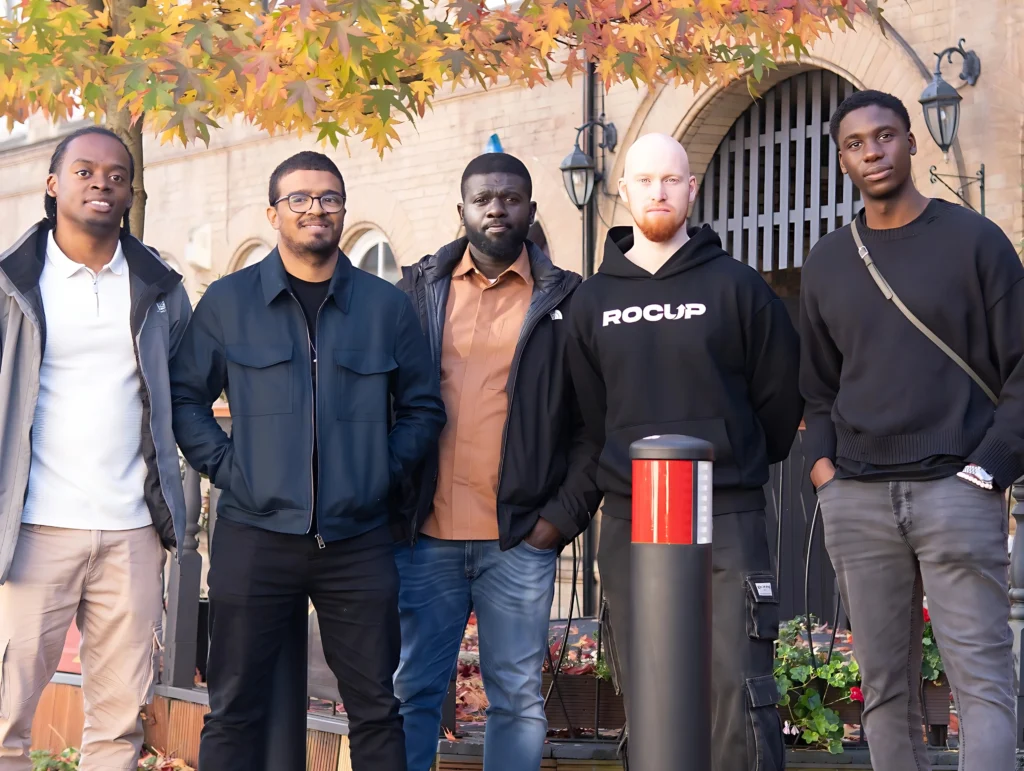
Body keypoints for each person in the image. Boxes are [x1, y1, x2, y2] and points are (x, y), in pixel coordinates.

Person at [170, 151, 445, 771]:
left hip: (358, 540)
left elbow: (424, 409)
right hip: (254, 532)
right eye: (299, 198)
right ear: (274, 213)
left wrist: (376, 473)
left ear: (344, 210)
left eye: (328, 198)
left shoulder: (385, 306)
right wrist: (229, 467)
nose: (315, 209)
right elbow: (185, 397)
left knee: (376, 708)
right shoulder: (229, 301)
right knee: (234, 706)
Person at [801, 89, 1021, 771]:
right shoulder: (828, 260)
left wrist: (989, 467)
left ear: (911, 141)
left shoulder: (975, 241)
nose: (873, 151)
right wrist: (825, 474)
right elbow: (816, 385)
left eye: (886, 135)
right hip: (859, 497)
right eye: (856, 143)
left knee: (980, 684)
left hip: (957, 487)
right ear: (841, 159)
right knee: (884, 689)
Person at [566, 133, 801, 771]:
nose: (659, 191)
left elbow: (779, 402)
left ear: (691, 189)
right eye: (645, 180)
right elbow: (593, 415)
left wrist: (736, 458)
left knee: (735, 684)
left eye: (671, 180)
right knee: (652, 684)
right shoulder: (591, 302)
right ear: (626, 191)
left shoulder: (739, 288)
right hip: (632, 514)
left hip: (724, 511)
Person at [393, 152, 601, 771]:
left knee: (516, 699)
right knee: (413, 692)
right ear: (461, 209)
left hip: (517, 540)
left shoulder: (567, 302)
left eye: (510, 198)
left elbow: (596, 427)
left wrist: (557, 522)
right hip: (424, 537)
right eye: (483, 198)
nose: (496, 209)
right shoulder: (416, 293)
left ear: (531, 210)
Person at [0, 126, 191, 770]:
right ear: (52, 185)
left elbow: (185, 389)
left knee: (117, 726)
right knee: (6, 717)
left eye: (116, 174)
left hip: (131, 530)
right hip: (32, 528)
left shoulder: (160, 288)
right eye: (83, 171)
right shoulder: (11, 284)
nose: (101, 183)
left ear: (131, 191)